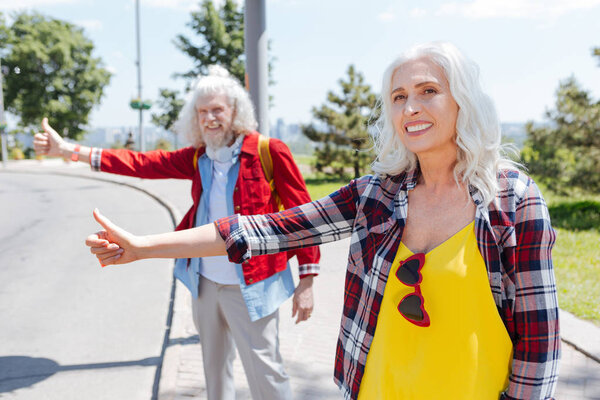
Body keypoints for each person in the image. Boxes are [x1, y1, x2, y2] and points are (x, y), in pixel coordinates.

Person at [84, 42, 560, 400]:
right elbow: (268, 229)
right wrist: (144, 246)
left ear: (463, 101)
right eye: (398, 97)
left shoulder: (512, 200)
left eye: (428, 92)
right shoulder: (378, 192)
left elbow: (539, 342)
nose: (410, 107)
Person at [34, 66, 320, 400]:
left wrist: (308, 281)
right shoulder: (199, 156)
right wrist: (68, 150)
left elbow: (303, 218)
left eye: (217, 110)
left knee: (266, 376)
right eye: (202, 112)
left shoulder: (268, 151)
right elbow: (140, 163)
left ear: (235, 111)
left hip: (254, 285)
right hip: (204, 283)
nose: (210, 118)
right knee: (215, 376)